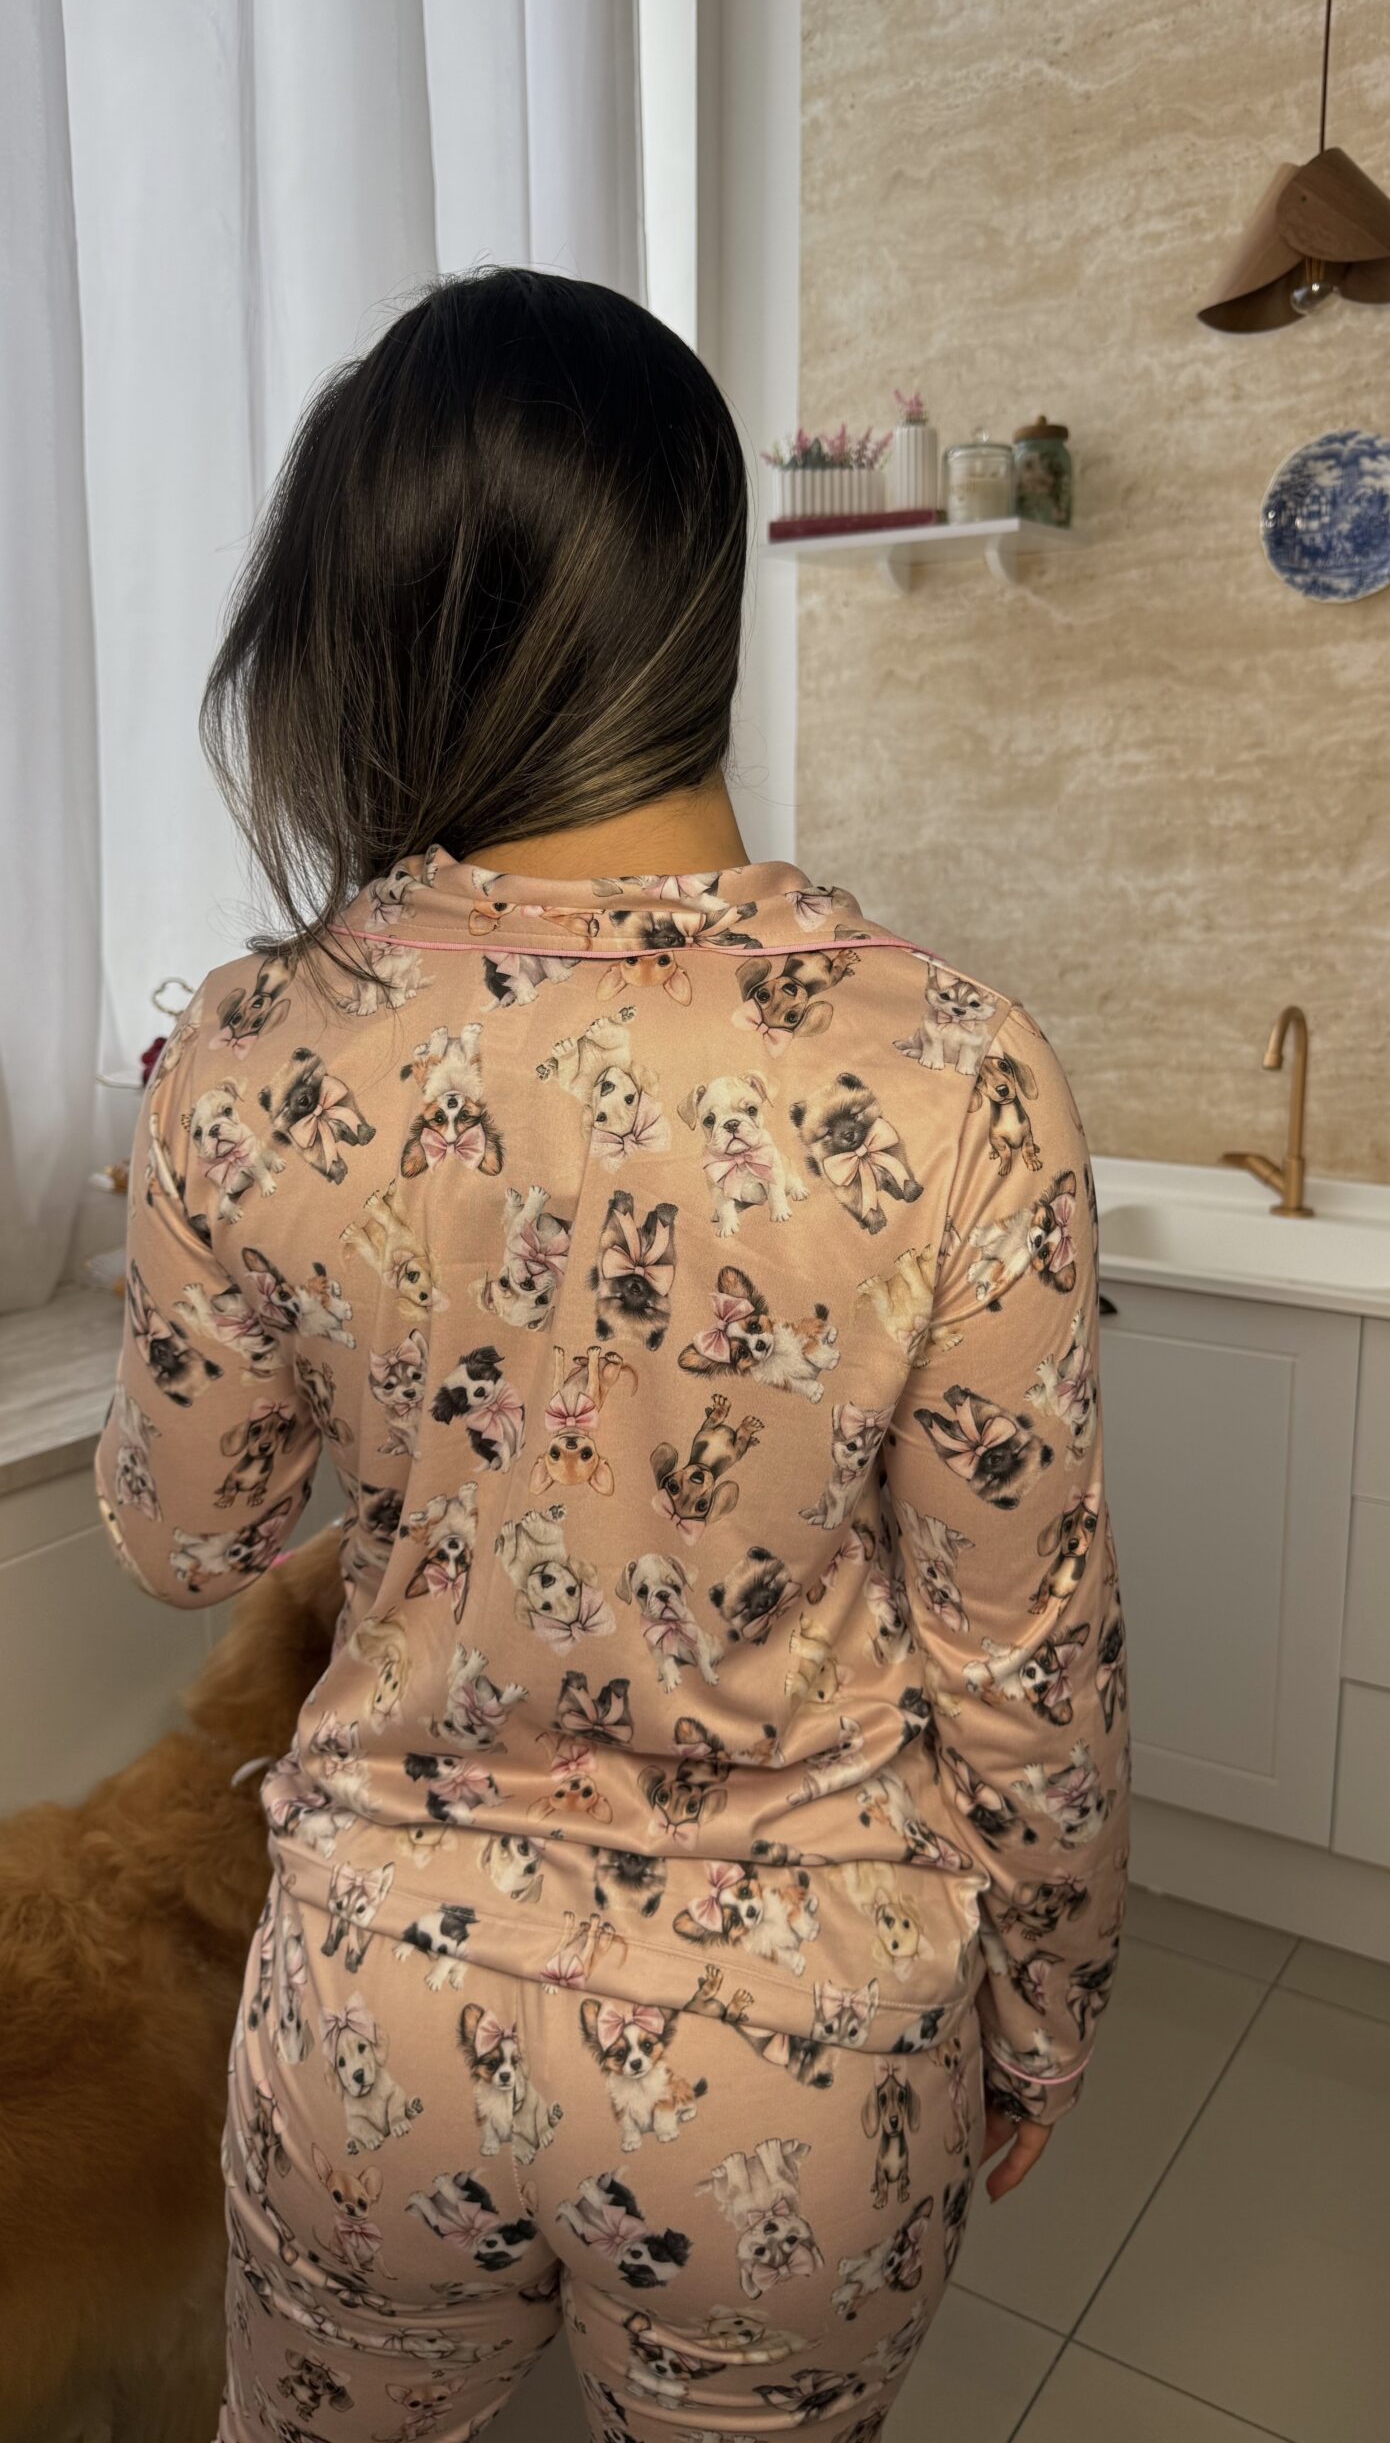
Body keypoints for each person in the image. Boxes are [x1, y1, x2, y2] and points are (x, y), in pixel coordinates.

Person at [94, 267, 1131, 2443]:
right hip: (800, 2059)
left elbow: (189, 1541)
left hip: (380, 2016)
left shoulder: (248, 1051)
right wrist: (1039, 2007)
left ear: (360, 620)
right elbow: (1026, 1671)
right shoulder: (953, 1068)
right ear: (694, 594)